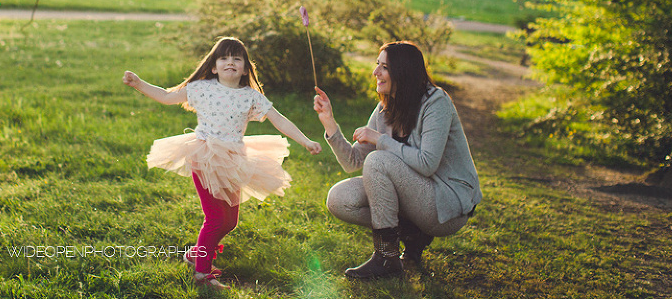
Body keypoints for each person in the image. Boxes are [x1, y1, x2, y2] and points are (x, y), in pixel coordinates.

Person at [123, 36, 321, 289]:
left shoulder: (251, 96)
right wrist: (138, 83)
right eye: (224, 57)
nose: (231, 62)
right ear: (214, 67)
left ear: (246, 68)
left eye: (237, 58)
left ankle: (196, 254)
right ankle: (202, 274)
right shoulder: (203, 88)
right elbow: (165, 96)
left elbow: (278, 119)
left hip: (234, 159)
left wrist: (305, 141)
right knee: (216, 218)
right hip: (206, 156)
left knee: (230, 221)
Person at [313, 41, 481, 279]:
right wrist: (329, 122)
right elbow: (352, 161)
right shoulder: (384, 108)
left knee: (378, 161)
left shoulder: (436, 102)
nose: (375, 73)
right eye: (377, 65)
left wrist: (380, 140)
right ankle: (412, 234)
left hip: (446, 202)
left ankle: (386, 258)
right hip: (414, 198)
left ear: (403, 72)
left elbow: (427, 163)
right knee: (339, 199)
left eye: (384, 67)